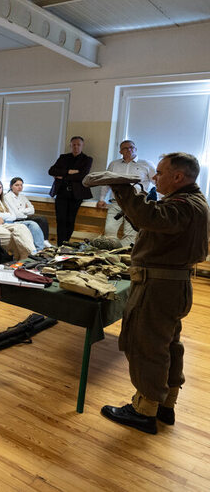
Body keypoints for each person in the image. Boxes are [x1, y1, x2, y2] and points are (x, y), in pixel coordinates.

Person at [100, 152, 209, 434]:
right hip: (172, 286)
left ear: (178, 177)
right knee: (168, 345)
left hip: (158, 288)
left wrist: (122, 187)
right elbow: (157, 226)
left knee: (146, 345)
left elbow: (153, 217)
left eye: (160, 173)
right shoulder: (193, 201)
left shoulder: (183, 205)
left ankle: (144, 410)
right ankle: (165, 405)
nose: (154, 177)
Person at [96, 140, 157, 246]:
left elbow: (158, 183)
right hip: (116, 202)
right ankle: (110, 254)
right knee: (109, 231)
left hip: (136, 204)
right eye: (125, 148)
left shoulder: (146, 164)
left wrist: (161, 200)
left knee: (131, 235)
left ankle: (119, 254)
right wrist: (102, 199)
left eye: (131, 147)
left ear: (135, 149)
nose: (129, 150)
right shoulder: (114, 164)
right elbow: (106, 182)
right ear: (120, 151)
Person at [48, 136, 93, 245]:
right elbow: (51, 171)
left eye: (78, 145)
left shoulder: (87, 159)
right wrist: (69, 171)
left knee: (70, 220)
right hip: (61, 193)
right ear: (70, 145)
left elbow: (82, 176)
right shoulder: (63, 157)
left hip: (76, 195)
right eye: (74, 145)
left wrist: (62, 176)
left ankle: (65, 244)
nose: (76, 147)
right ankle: (60, 246)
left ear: (82, 146)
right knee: (60, 220)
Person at [0, 179, 46, 251]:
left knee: (38, 222)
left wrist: (13, 213)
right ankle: (37, 250)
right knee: (31, 224)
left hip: (12, 220)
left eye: (0, 187)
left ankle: (40, 248)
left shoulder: (2, 199)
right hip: (6, 222)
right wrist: (9, 214)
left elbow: (16, 214)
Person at [4, 177, 50, 243]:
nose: (19, 187)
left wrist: (21, 210)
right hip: (16, 219)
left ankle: (45, 241)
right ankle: (41, 242)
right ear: (11, 186)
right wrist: (25, 210)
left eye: (21, 185)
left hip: (24, 217)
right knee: (38, 221)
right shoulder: (7, 197)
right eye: (17, 185)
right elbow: (17, 214)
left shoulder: (22, 196)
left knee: (43, 219)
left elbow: (32, 210)